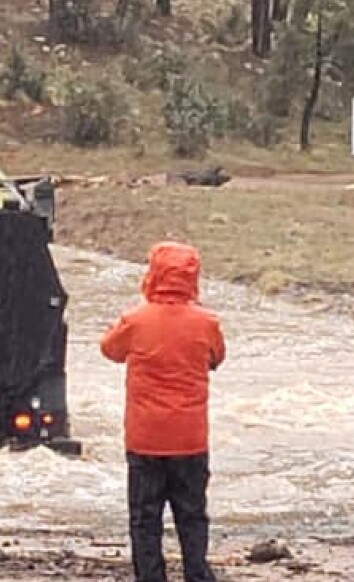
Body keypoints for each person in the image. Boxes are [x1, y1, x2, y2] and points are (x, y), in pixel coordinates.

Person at [100, 241, 226, 582]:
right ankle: (197, 575)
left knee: (145, 519)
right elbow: (216, 358)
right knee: (192, 516)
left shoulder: (135, 321)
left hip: (145, 440)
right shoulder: (207, 323)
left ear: (153, 274)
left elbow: (109, 350)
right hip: (190, 440)